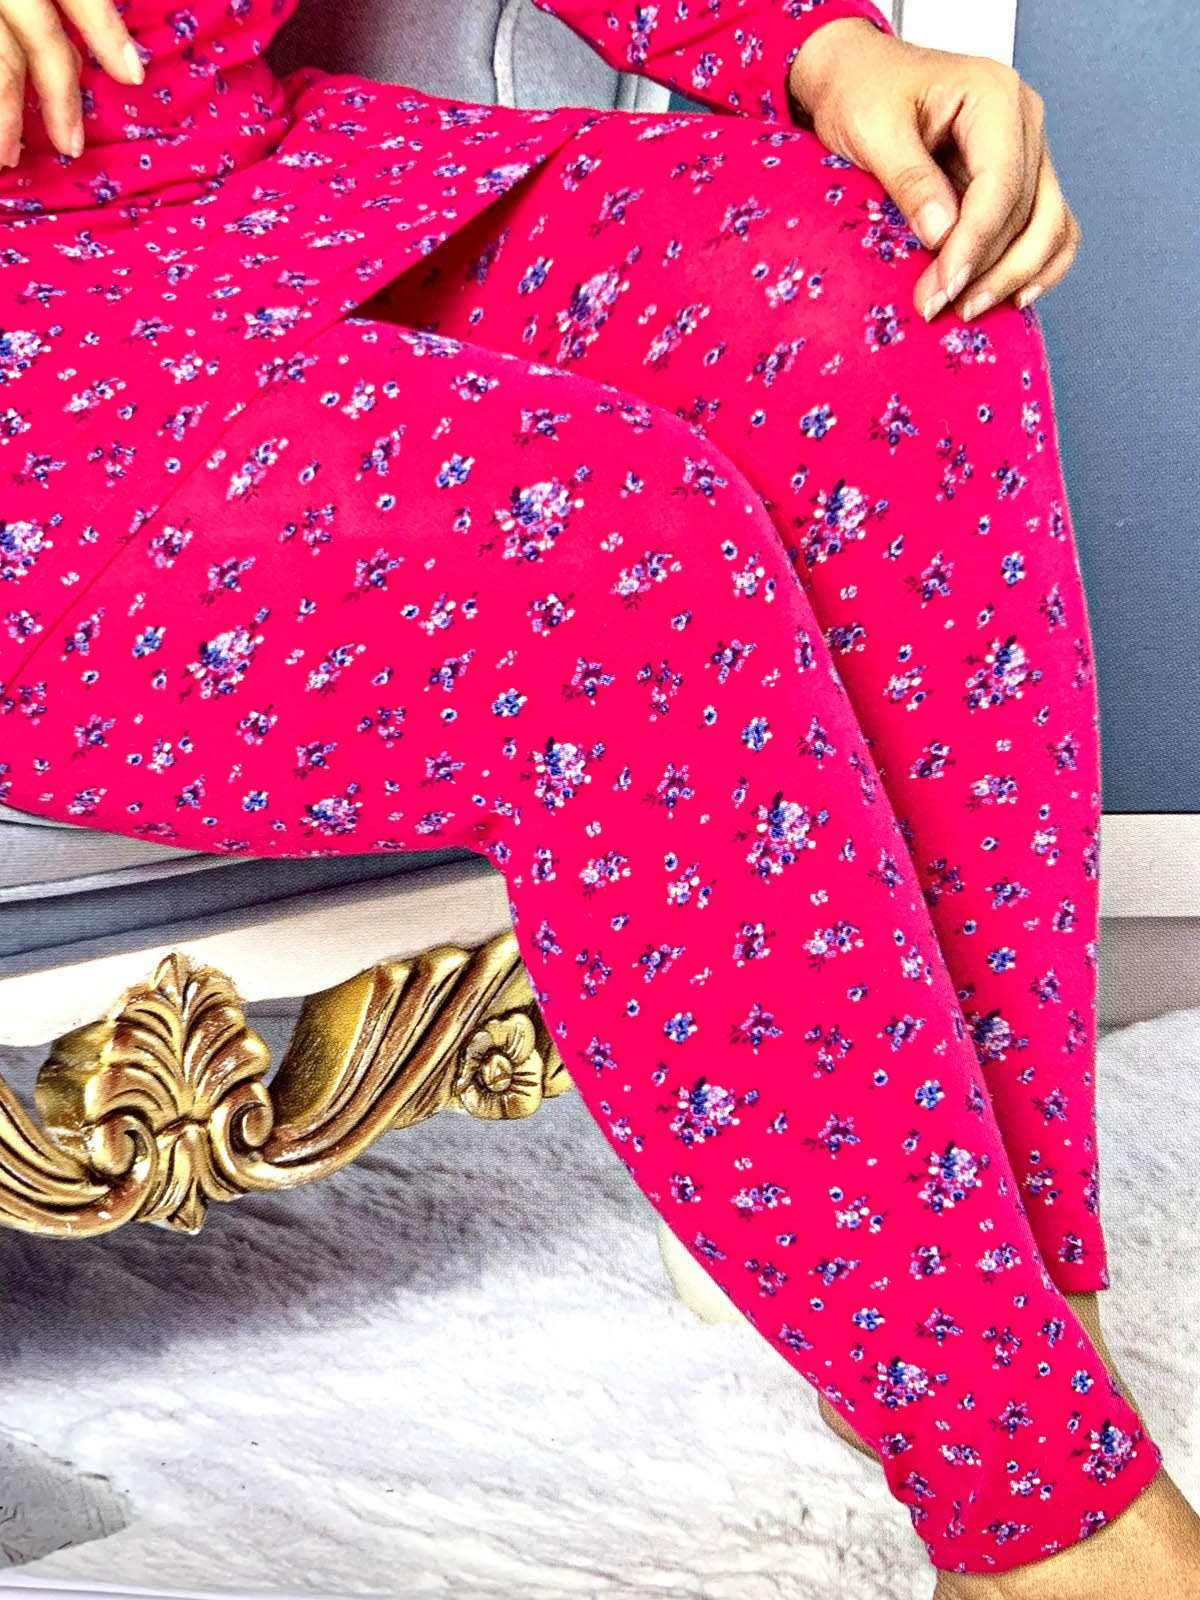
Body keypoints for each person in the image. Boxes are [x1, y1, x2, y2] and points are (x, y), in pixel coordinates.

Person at [0, 1, 1196, 1593]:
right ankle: (1053, 1522)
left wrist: (833, 52)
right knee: (613, 552)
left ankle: (1020, 1353)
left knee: (893, 300)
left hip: (260, 195)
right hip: (36, 378)